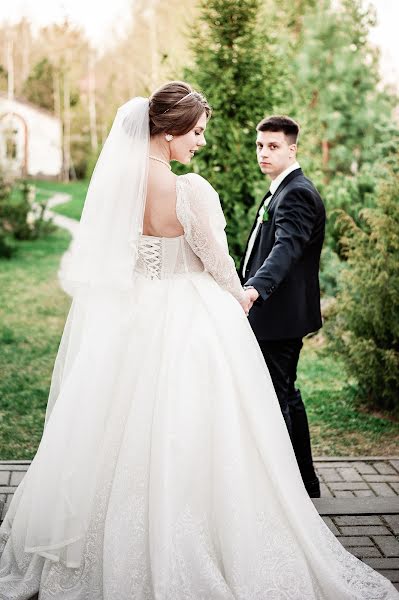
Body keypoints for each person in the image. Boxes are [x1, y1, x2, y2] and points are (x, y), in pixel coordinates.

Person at [0, 82, 397, 600]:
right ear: (168, 132)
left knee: (115, 424)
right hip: (188, 316)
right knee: (195, 426)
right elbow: (218, 261)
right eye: (196, 132)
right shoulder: (190, 190)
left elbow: (116, 255)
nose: (201, 143)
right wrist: (240, 297)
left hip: (131, 317)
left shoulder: (120, 182)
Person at [241, 116, 324, 498]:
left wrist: (256, 288)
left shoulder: (297, 193)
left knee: (279, 397)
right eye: (260, 145)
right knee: (285, 394)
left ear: (292, 148)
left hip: (279, 316)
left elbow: (286, 247)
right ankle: (304, 483)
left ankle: (293, 489)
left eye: (272, 146)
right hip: (277, 315)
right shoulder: (281, 189)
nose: (263, 152)